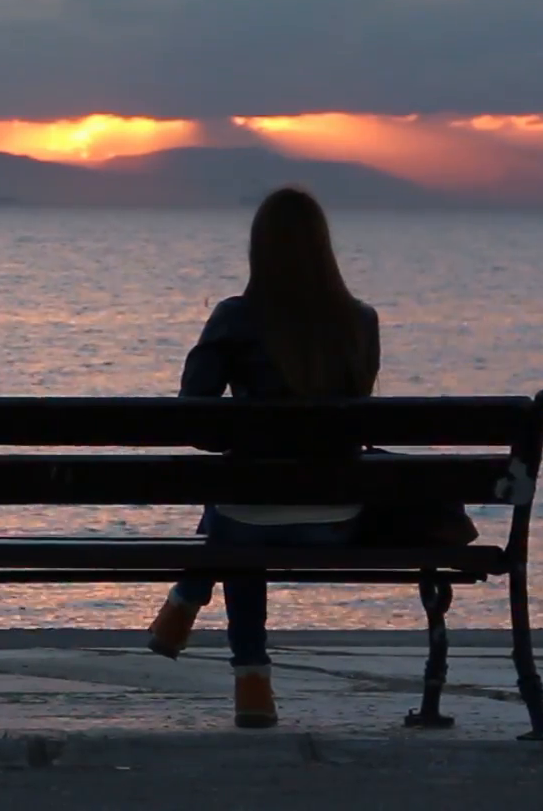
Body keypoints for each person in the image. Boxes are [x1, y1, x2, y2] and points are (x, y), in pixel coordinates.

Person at [145, 186, 380, 729]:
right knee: (241, 506)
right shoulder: (360, 321)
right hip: (335, 520)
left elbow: (194, 420)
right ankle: (191, 598)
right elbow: (357, 411)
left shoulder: (236, 317)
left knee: (239, 519)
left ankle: (238, 660)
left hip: (248, 521)